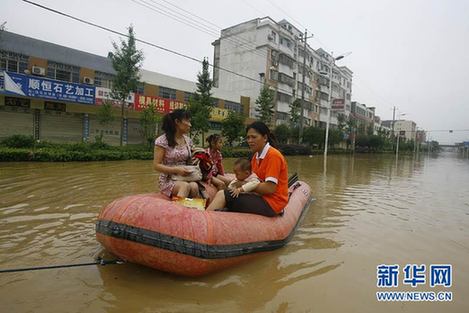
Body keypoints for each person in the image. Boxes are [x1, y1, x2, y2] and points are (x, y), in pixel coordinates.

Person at [206, 121, 288, 217]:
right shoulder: (255, 157)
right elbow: (251, 179)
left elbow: (269, 188)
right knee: (229, 194)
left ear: (265, 138)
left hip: (272, 203)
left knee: (223, 194)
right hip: (261, 197)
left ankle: (204, 220)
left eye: (254, 137)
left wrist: (243, 185)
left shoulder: (273, 156)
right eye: (248, 137)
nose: (250, 140)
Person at [153, 109, 200, 198]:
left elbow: (190, 160)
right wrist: (177, 170)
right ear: (177, 122)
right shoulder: (162, 141)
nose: (190, 125)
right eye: (187, 121)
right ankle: (177, 211)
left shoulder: (188, 141)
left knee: (194, 186)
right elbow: (156, 165)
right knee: (184, 186)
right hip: (168, 179)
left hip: (186, 177)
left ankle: (194, 210)